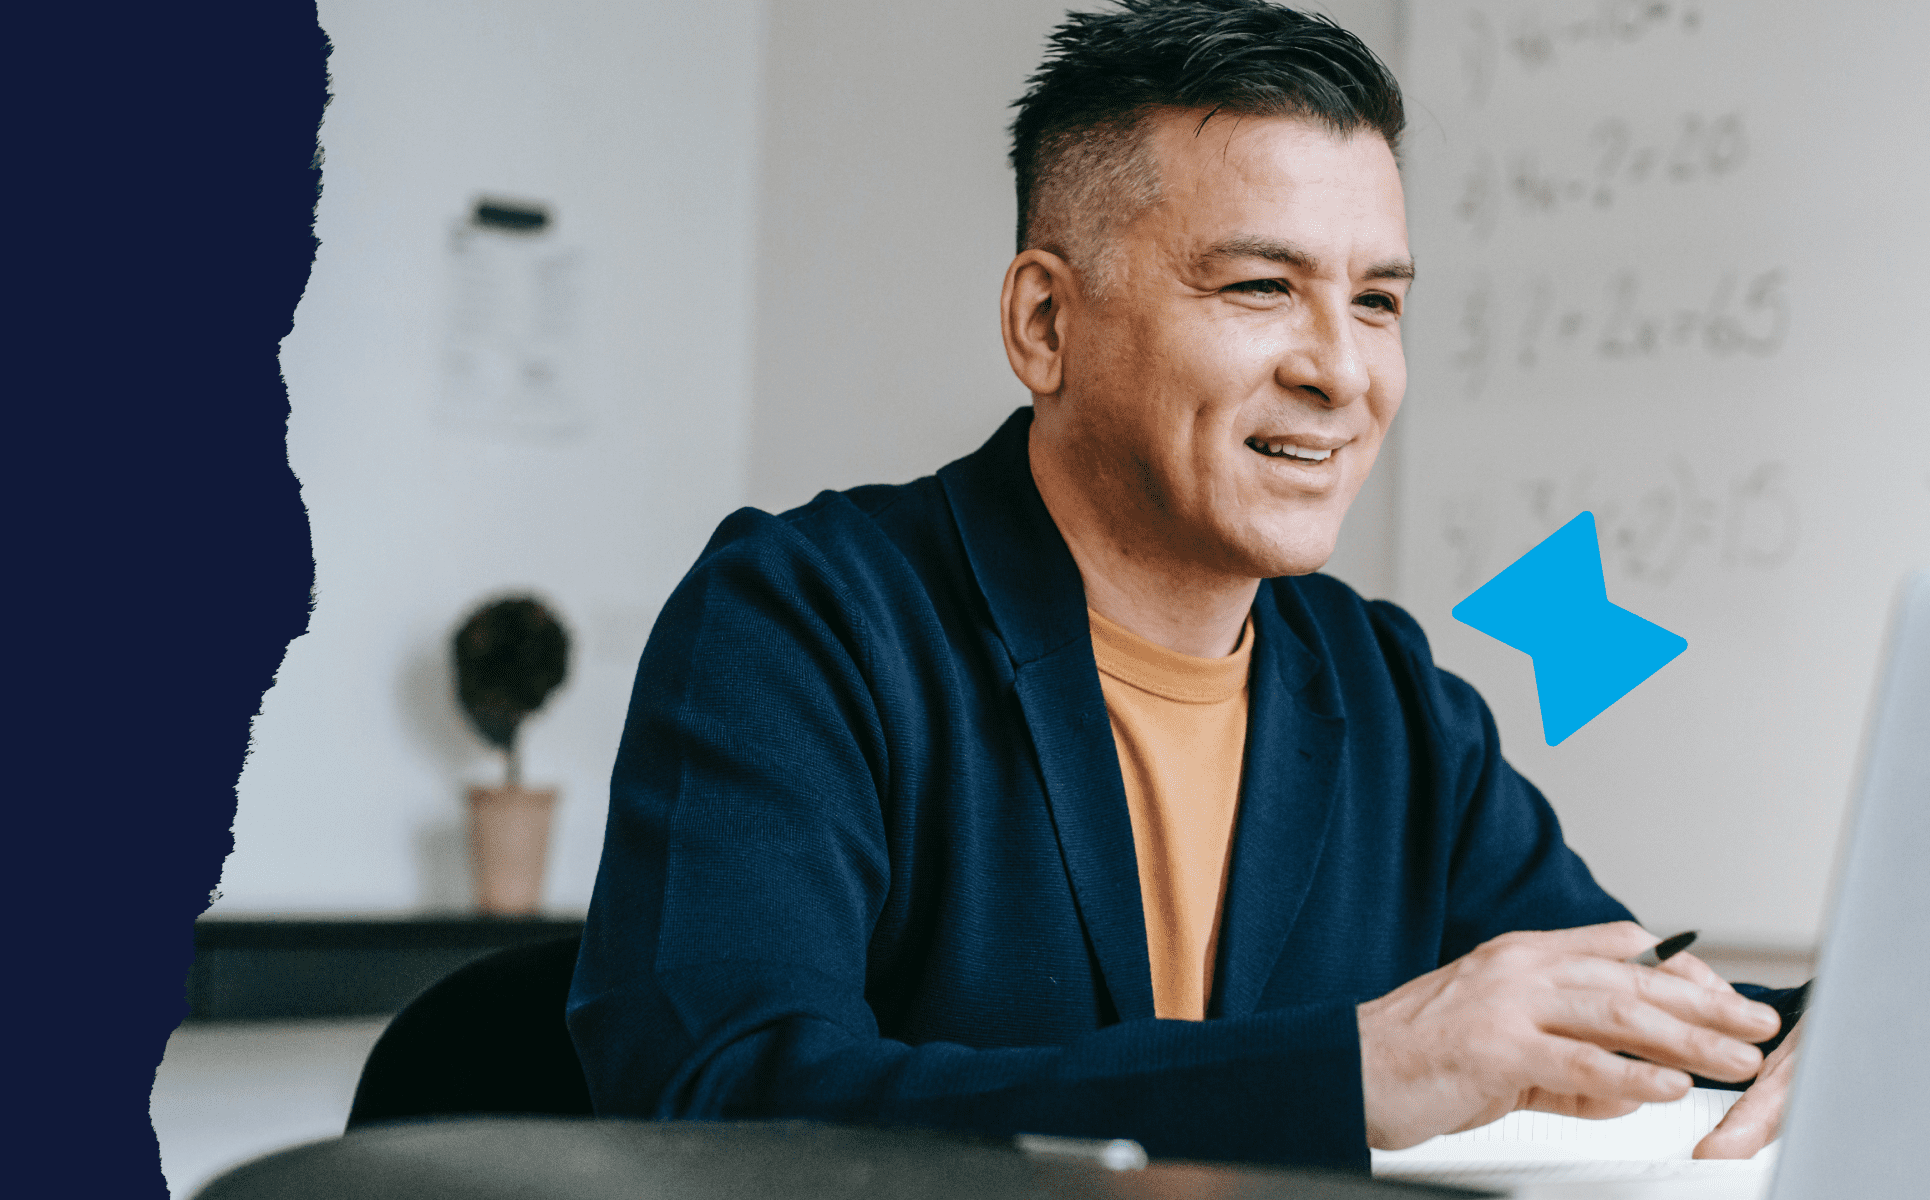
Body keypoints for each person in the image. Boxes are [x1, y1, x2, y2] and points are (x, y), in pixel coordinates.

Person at [570, 0, 1803, 1169]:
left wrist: (1816, 1032)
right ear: (1045, 323)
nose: (1341, 371)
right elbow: (715, 1112)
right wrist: (1352, 1073)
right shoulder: (804, 622)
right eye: (1262, 287)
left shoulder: (1385, 690)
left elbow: (1629, 1012)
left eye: (1376, 301)